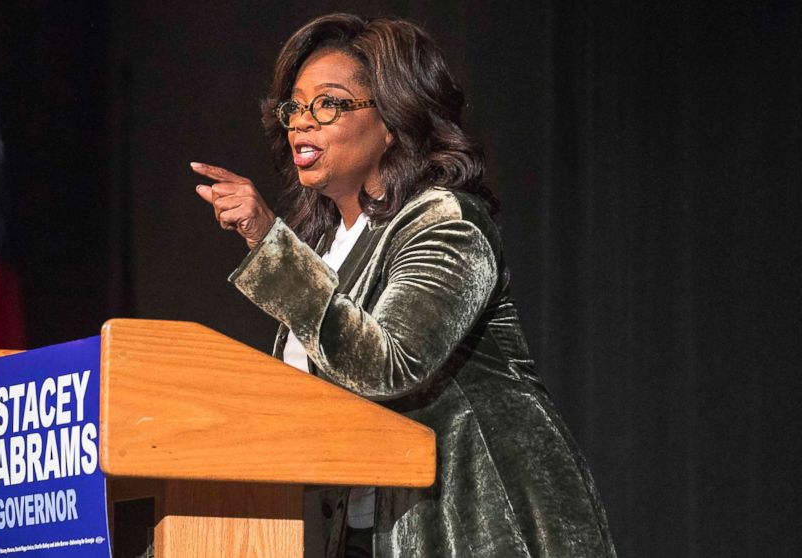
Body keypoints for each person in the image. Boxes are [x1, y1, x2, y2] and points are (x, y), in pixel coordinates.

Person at [192, 13, 616, 558]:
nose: (301, 122)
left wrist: (270, 245)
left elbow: (390, 363)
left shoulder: (446, 223)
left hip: (476, 523)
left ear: (393, 118)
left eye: (328, 103)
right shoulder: (325, 252)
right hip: (370, 530)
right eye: (294, 106)